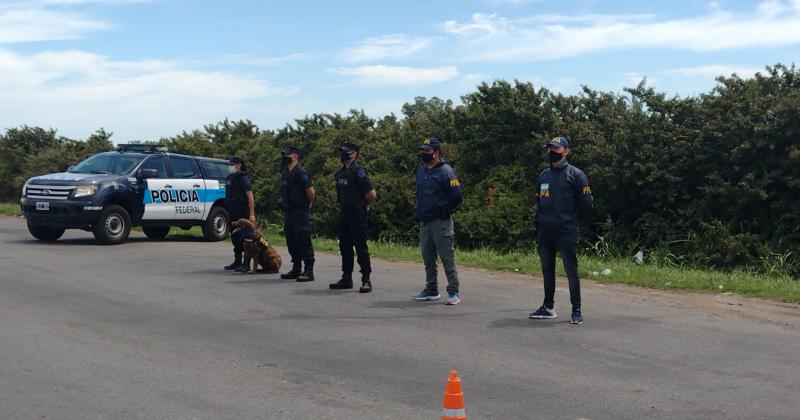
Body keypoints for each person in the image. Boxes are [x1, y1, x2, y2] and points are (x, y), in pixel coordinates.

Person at [529, 136, 593, 325]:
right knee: (547, 270)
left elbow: (587, 204)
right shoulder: (543, 175)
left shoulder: (576, 175)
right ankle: (548, 307)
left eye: (556, 148)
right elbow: (539, 201)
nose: (552, 152)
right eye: (550, 148)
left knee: (571, 271)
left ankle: (576, 310)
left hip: (566, 231)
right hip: (545, 231)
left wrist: (570, 219)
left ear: (566, 151)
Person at [412, 137, 464, 305]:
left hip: (441, 222)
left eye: (427, 151)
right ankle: (431, 289)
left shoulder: (446, 171)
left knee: (447, 258)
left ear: (436, 152)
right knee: (428, 258)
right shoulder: (421, 170)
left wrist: (445, 210)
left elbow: (457, 196)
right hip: (425, 221)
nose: (423, 154)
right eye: (422, 151)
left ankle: (453, 291)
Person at [329, 141, 377, 293]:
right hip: (344, 212)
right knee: (345, 247)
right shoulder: (339, 173)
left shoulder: (359, 171)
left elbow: (371, 194)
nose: (343, 154)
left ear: (354, 154)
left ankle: (366, 279)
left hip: (357, 212)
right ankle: (346, 278)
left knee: (360, 247)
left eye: (346, 151)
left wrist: (364, 206)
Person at [279, 145, 316, 282]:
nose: (284, 157)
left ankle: (309, 270)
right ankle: (296, 268)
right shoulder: (285, 172)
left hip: (300, 211)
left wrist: (308, 204)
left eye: (287, 155)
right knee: (291, 240)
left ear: (295, 156)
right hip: (289, 211)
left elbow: (310, 192)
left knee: (303, 240)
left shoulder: (301, 173)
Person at [223, 156, 255, 272]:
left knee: (245, 238)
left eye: (232, 164)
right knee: (234, 236)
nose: (230, 166)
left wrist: (252, 214)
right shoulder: (230, 177)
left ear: (239, 165)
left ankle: (246, 264)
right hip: (233, 210)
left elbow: (250, 197)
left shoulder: (243, 178)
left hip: (243, 211)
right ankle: (237, 261)